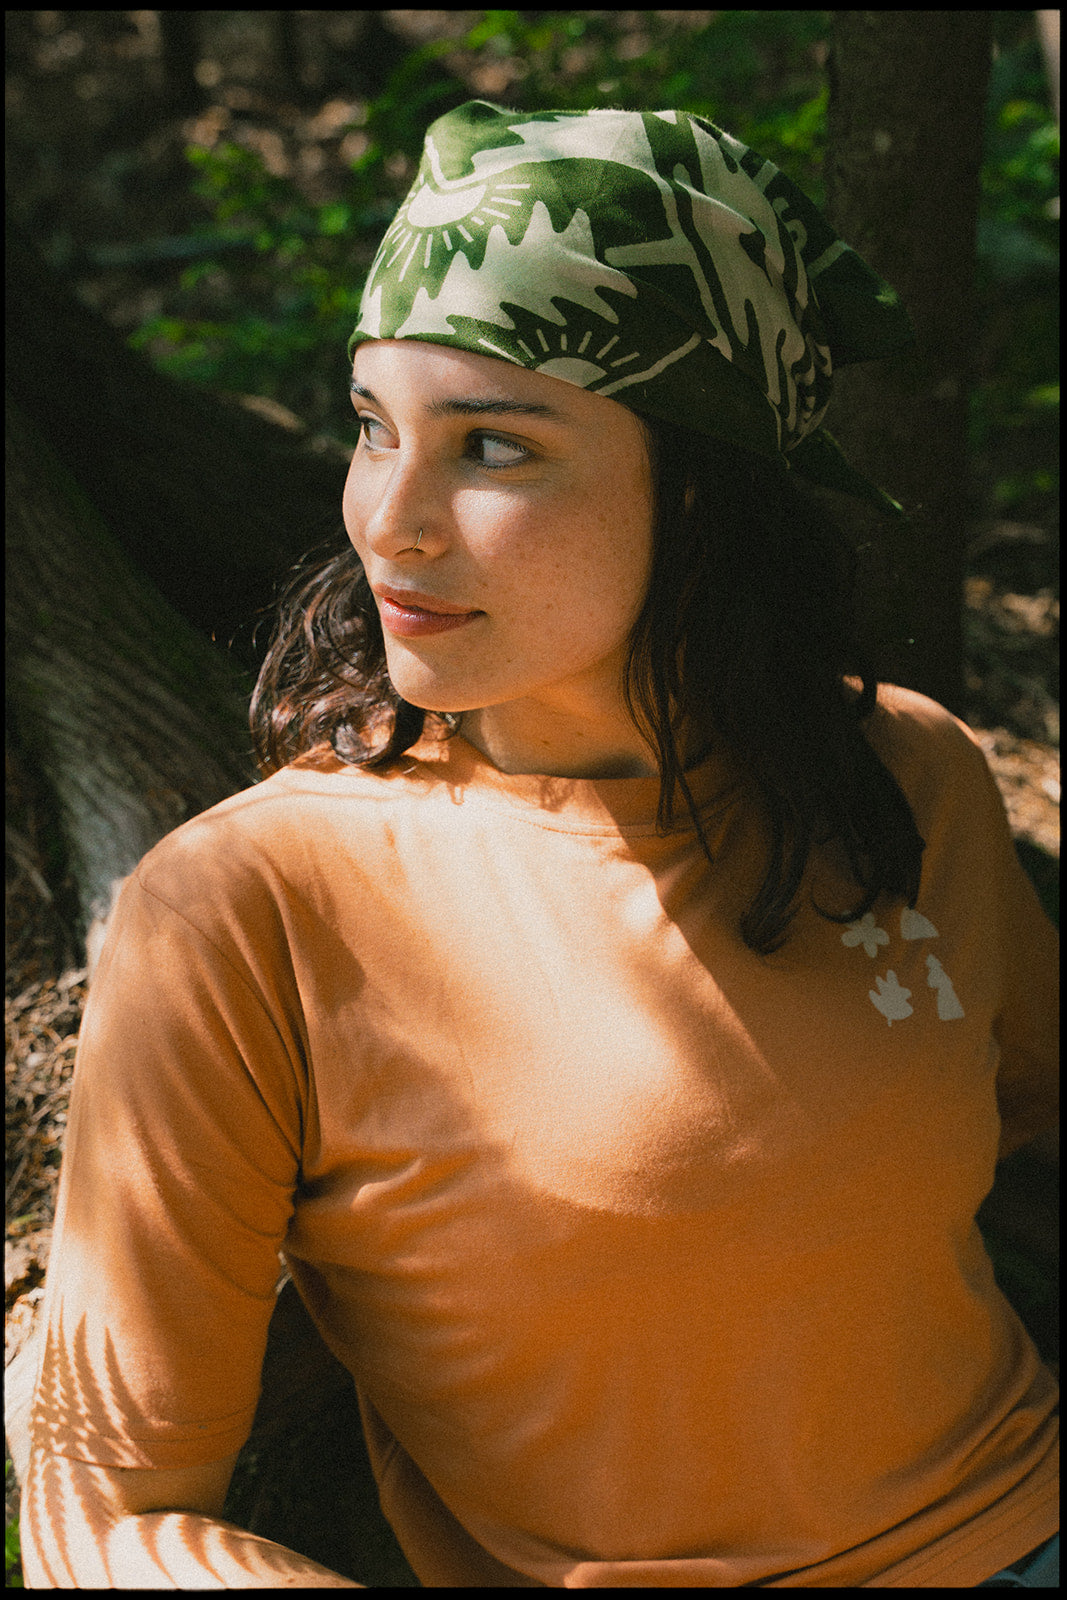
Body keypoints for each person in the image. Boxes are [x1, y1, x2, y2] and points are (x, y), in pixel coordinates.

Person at [21, 101, 1057, 1589]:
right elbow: (102, 1510)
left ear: (699, 491)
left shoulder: (905, 776)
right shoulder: (249, 907)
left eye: (491, 445)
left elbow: (1015, 1116)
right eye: (373, 427)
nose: (390, 521)